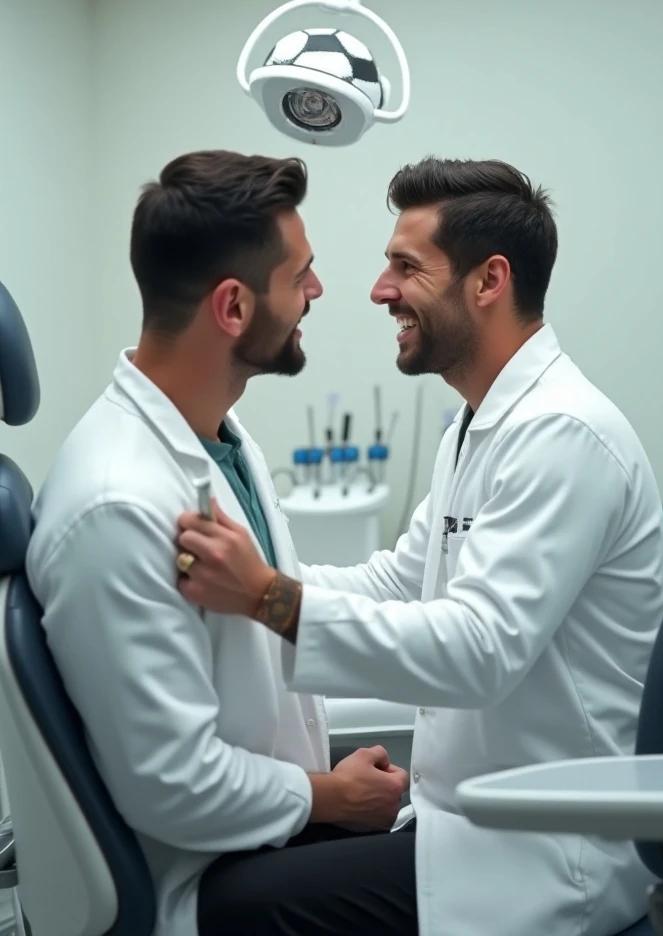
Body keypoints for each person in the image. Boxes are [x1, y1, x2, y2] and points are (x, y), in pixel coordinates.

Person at [176, 157, 663, 936]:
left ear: (489, 281)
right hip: (469, 824)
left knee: (233, 905)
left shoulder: (563, 435)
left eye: (406, 266)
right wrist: (249, 585)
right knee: (252, 864)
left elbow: (478, 650)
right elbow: (399, 580)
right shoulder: (479, 425)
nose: (379, 290)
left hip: (550, 853)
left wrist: (267, 598)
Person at [26, 150, 416, 936]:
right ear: (233, 307)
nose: (317, 291)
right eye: (300, 275)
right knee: (472, 872)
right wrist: (330, 795)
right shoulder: (117, 505)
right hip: (211, 881)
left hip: (267, 835)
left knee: (463, 848)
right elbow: (174, 785)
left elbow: (272, 615)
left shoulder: (215, 439)